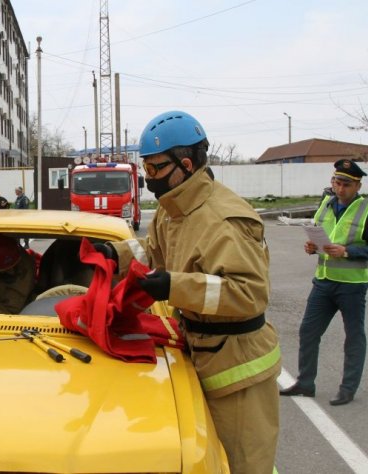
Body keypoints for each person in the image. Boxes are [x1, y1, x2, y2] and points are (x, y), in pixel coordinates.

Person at [101, 110, 280, 473]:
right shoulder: (174, 208)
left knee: (244, 465)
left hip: (238, 369)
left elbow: (249, 294)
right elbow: (154, 251)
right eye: (145, 168)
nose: (148, 178)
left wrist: (173, 286)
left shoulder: (225, 220)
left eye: (154, 169)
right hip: (201, 352)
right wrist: (112, 254)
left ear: (184, 164)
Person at [280, 159, 368, 406]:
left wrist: (347, 251)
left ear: (358, 185)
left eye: (346, 184)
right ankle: (306, 383)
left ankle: (348, 388)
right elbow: (320, 235)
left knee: (353, 336)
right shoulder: (327, 205)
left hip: (352, 285)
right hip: (324, 281)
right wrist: (311, 247)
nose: (340, 189)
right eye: (337, 182)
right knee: (308, 331)